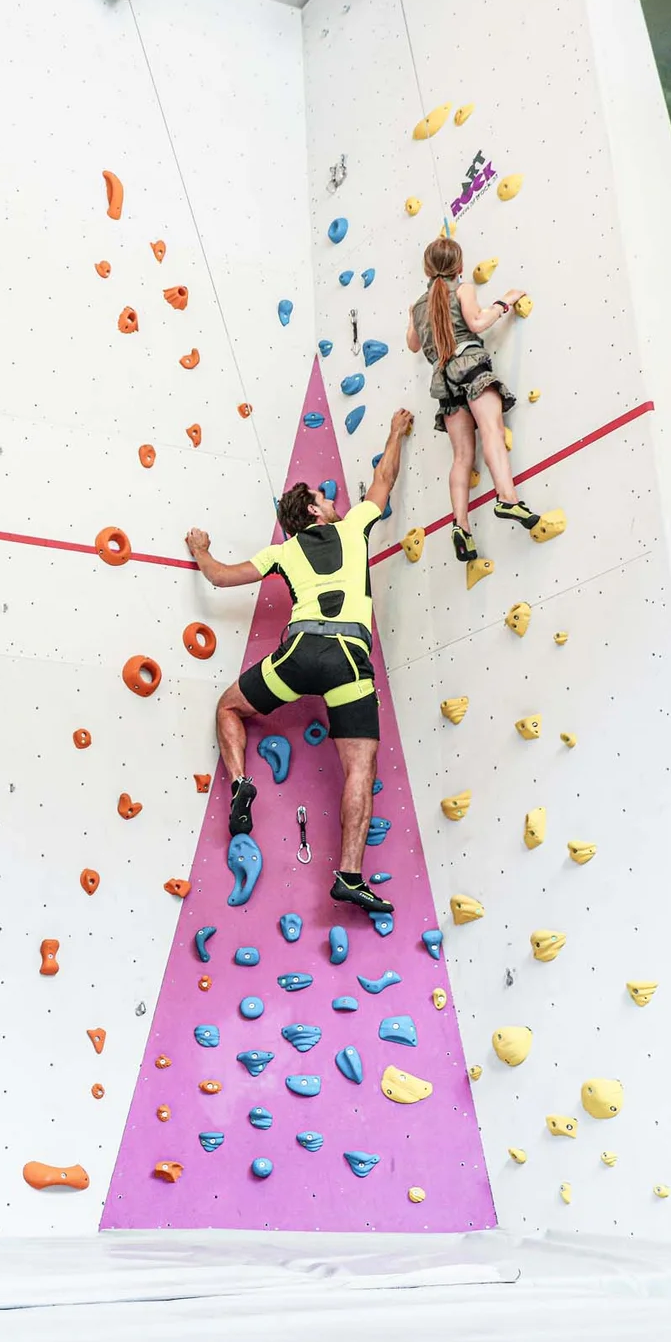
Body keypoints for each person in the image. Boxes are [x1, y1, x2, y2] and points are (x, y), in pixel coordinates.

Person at [183, 409, 413, 914]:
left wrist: (201, 550)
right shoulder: (354, 528)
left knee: (229, 708)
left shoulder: (283, 553)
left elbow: (221, 577)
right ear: (313, 512)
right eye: (323, 498)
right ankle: (350, 876)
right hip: (350, 657)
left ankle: (243, 783)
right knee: (360, 767)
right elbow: (383, 479)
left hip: (301, 650)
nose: (332, 501)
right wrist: (395, 432)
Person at [405, 236, 539, 561]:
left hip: (443, 380)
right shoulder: (463, 289)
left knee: (462, 455)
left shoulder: (417, 306)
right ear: (460, 267)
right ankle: (507, 498)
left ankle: (461, 526)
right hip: (469, 364)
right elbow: (477, 322)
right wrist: (504, 302)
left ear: (426, 268)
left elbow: (412, 344)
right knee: (492, 431)